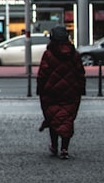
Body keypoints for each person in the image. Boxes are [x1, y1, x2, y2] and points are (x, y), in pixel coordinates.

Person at [36, 26, 86, 159]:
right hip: (71, 93)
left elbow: (42, 74)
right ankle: (65, 148)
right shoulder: (74, 54)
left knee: (54, 118)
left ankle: (54, 146)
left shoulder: (48, 54)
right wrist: (81, 89)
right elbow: (80, 73)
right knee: (67, 119)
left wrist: (40, 89)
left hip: (51, 93)